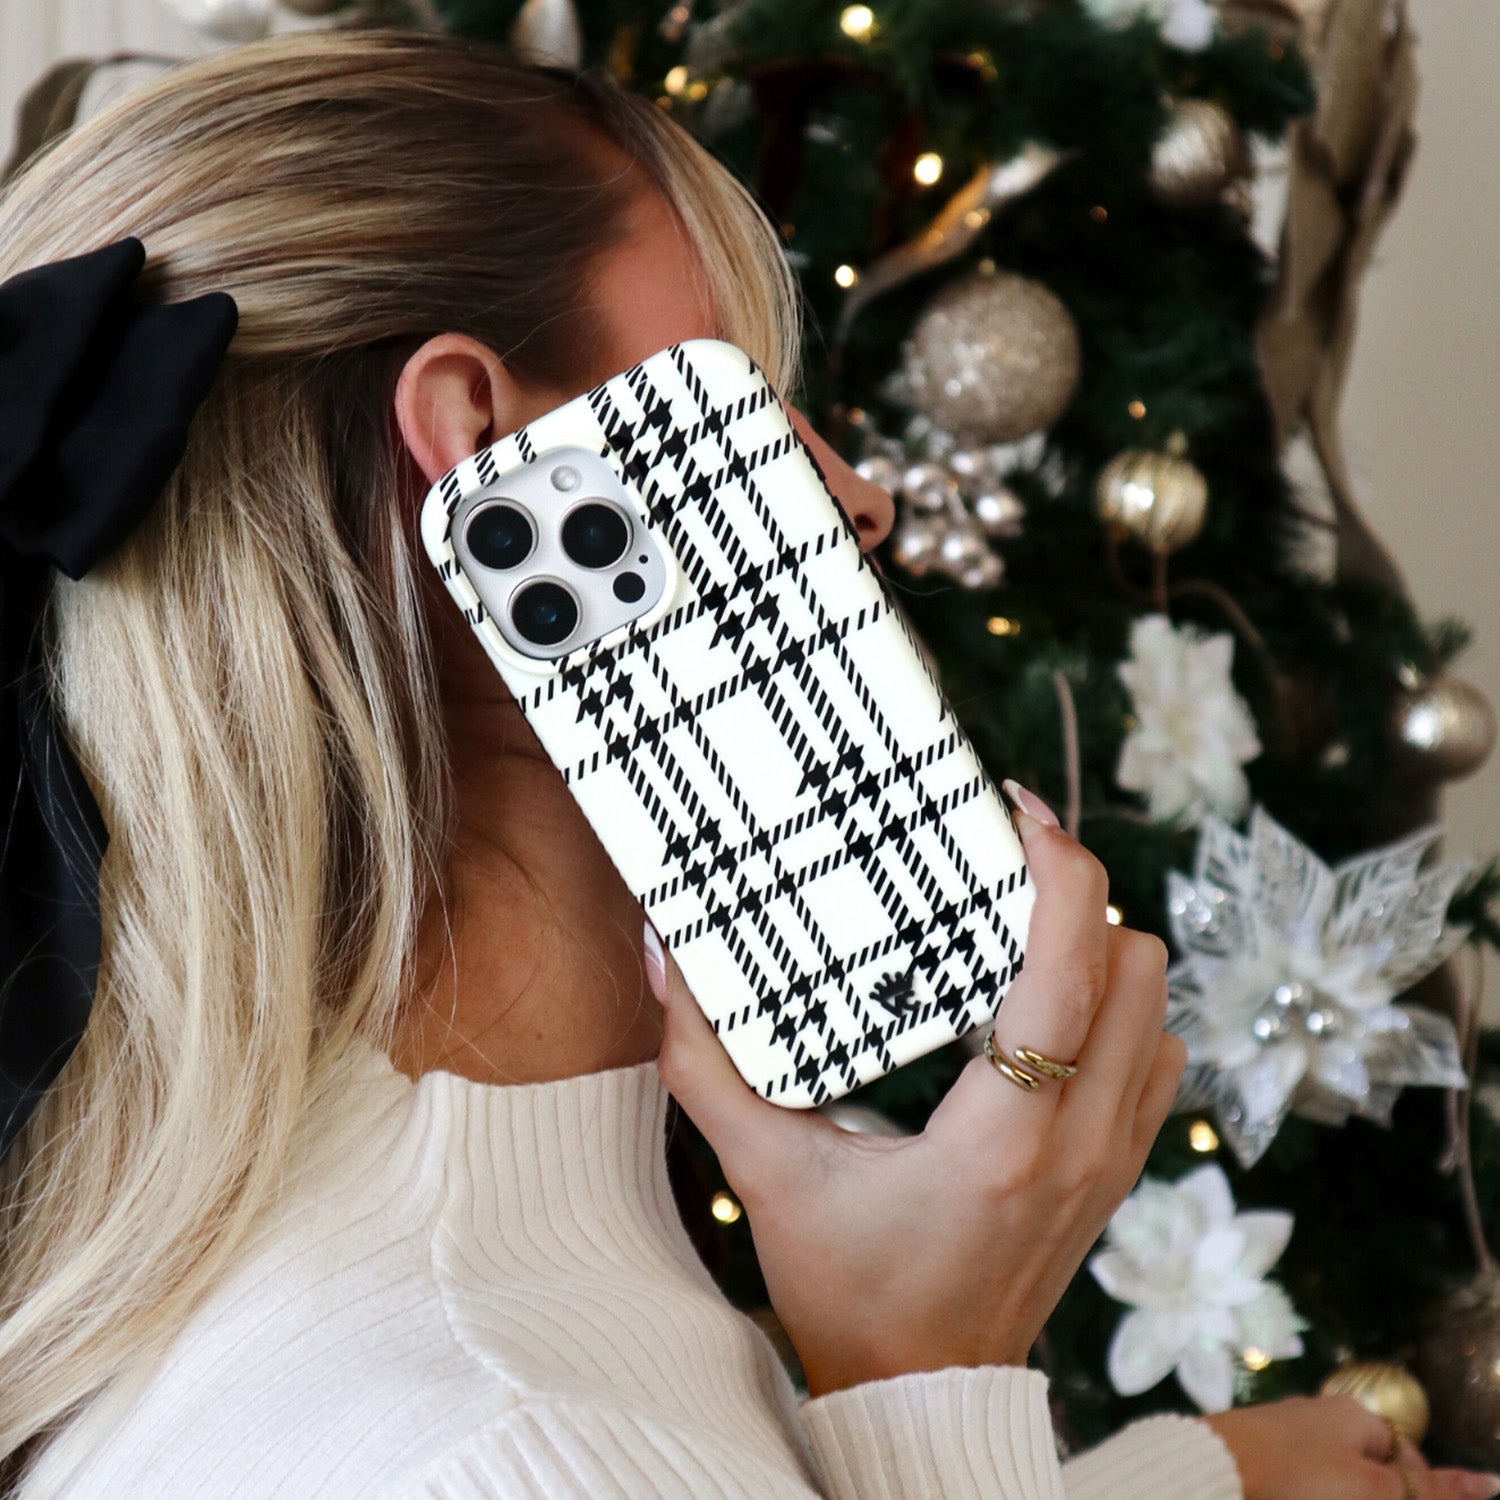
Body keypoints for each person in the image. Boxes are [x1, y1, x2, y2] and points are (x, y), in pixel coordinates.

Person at [0, 28, 1493, 1500]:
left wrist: (1188, 1486)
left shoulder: (272, 1274)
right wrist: (924, 1366)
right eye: (758, 400)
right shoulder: (509, 1437)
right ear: (484, 450)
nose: (864, 499)